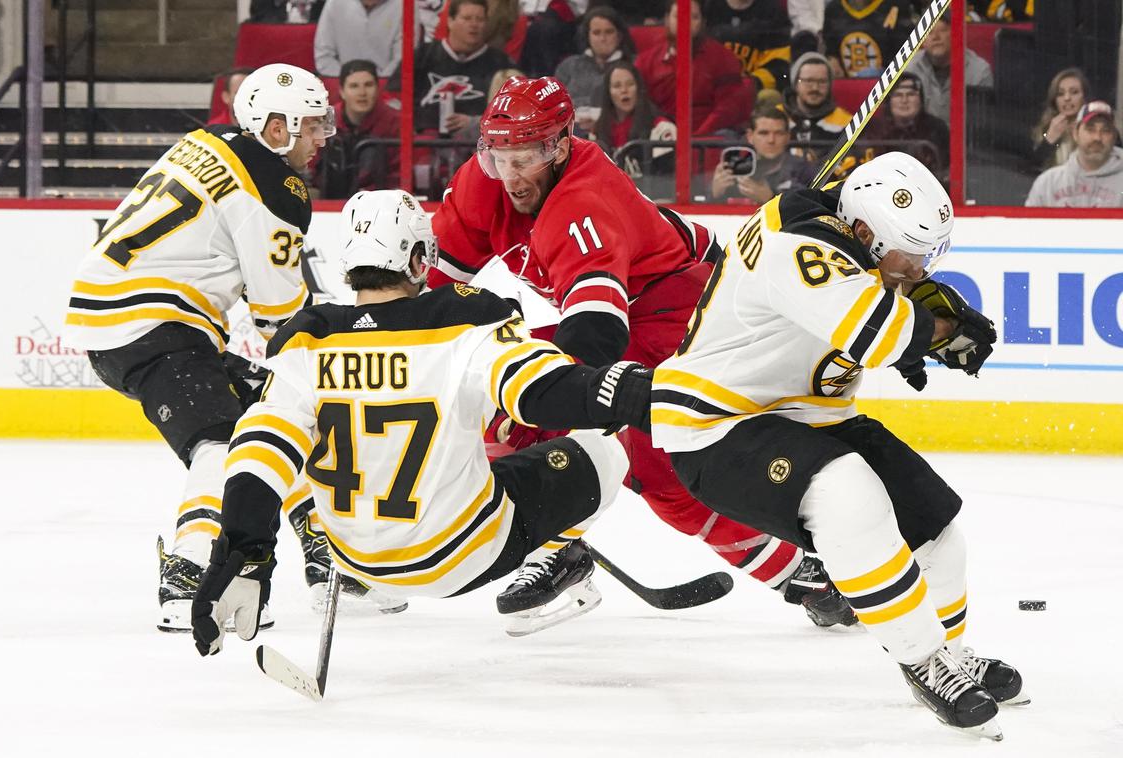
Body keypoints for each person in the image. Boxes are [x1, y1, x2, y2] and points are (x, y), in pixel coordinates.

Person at [429, 75, 858, 631]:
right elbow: (433, 287)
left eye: (526, 156)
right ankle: (557, 542)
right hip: (644, 302)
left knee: (658, 463)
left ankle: (797, 573)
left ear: (559, 145)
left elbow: (595, 335)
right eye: (499, 157)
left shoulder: (580, 203)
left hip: (681, 311)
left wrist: (531, 402)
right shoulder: (483, 182)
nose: (509, 175)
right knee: (493, 391)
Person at [650, 151, 1026, 739]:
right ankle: (923, 660)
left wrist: (912, 313)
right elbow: (876, 333)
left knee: (936, 533)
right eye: (912, 253)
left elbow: (875, 313)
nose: (922, 269)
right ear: (867, 233)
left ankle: (952, 654)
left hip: (805, 415)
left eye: (930, 255)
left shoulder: (839, 236)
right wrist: (938, 330)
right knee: (848, 494)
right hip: (717, 426)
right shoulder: (797, 247)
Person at [189, 189, 648, 650]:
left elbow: (262, 448)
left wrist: (245, 547)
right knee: (605, 449)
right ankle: (554, 559)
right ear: (415, 259)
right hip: (460, 558)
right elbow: (546, 393)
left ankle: (375, 581)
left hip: (353, 559)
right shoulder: (465, 320)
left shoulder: (308, 337)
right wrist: (634, 391)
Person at [63, 63, 336, 632]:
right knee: (220, 440)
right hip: (152, 321)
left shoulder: (207, 140)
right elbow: (279, 320)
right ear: (276, 128)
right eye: (312, 126)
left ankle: (323, 547)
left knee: (272, 412)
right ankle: (187, 574)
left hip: (115, 311)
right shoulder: (277, 189)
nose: (322, 136)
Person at [635, 0, 755, 136]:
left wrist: (697, 137)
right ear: (667, 19)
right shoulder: (645, 62)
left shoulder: (723, 58)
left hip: (710, 136)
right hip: (661, 134)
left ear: (702, 23)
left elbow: (727, 107)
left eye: (694, 17)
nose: (685, 22)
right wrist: (664, 127)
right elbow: (643, 106)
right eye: (679, 16)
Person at [412, 0, 514, 136]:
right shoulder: (423, 55)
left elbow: (513, 115)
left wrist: (476, 123)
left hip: (478, 145)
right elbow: (393, 100)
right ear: (450, 21)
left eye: (480, 19)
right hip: (425, 142)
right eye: (467, 18)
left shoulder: (501, 63)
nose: (474, 25)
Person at [314, 58, 401, 198]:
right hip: (330, 200)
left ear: (378, 89)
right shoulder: (325, 119)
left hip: (378, 202)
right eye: (354, 86)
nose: (362, 92)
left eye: (368, 85)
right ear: (342, 91)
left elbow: (399, 175)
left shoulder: (395, 121)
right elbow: (311, 166)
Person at [593, 59, 676, 195]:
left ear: (639, 88)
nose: (624, 91)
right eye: (617, 86)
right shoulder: (598, 131)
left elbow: (665, 183)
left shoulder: (662, 129)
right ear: (608, 93)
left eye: (630, 84)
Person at [1026, 100, 1123, 207]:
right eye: (1090, 129)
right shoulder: (1047, 183)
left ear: (1114, 137)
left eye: (1106, 131)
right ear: (1076, 133)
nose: (1097, 137)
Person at [554, 5, 635, 133]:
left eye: (609, 32)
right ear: (588, 36)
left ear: (619, 36)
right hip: (570, 132)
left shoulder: (633, 67)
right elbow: (553, 107)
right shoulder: (568, 66)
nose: (603, 39)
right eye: (597, 33)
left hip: (615, 134)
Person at [710, 103, 813, 203]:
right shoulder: (736, 169)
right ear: (750, 136)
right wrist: (714, 194)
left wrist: (770, 198)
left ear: (788, 137)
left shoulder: (805, 172)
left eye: (778, 133)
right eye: (764, 133)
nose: (771, 140)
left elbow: (813, 211)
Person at [905, 10, 992, 125]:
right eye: (929, 32)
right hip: (922, 140)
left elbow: (982, 123)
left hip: (963, 141)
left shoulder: (980, 71)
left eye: (942, 30)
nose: (935, 37)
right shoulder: (909, 67)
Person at [862, 72, 949, 179]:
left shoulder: (937, 128)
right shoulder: (873, 129)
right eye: (898, 95)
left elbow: (945, 172)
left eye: (911, 94)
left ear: (921, 100)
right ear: (888, 101)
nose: (904, 101)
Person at [705, 0, 792, 92]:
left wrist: (752, 83)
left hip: (756, 91)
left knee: (769, 96)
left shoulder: (772, 10)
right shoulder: (708, 6)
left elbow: (780, 65)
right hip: (712, 87)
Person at [783, 51, 852, 161]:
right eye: (808, 81)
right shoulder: (776, 117)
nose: (815, 88)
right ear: (795, 83)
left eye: (822, 81)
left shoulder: (846, 123)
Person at [313, 0, 403, 78]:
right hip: (342, 84)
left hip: (389, 85)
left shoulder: (405, 5)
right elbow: (324, 56)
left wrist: (376, 82)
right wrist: (349, 81)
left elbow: (402, 60)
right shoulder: (334, 3)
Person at [823, 0, 912, 78]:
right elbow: (831, 49)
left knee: (868, 74)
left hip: (886, 79)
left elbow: (904, 52)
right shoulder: (834, 8)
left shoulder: (896, 6)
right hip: (845, 79)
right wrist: (833, 61)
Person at [1032, 67, 1091, 172]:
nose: (1067, 98)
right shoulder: (1047, 127)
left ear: (1085, 97)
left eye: (1074, 92)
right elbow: (1034, 166)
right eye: (1060, 94)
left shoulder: (1098, 127)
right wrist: (1051, 138)